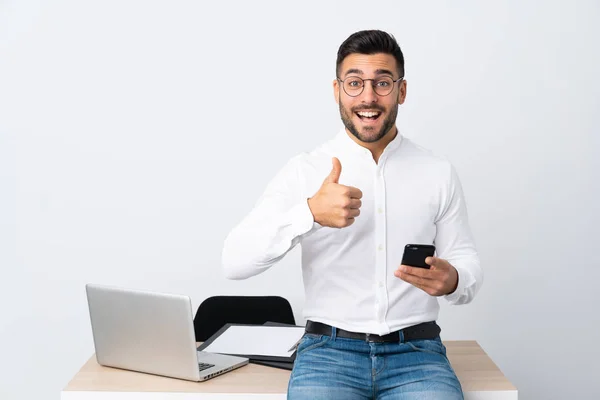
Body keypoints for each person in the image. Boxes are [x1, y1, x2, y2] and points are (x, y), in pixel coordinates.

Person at [221, 29, 483, 400]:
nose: (368, 97)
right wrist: (309, 212)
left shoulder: (436, 171)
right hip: (328, 354)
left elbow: (465, 258)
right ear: (337, 90)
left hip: (417, 356)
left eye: (382, 83)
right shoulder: (306, 170)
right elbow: (233, 262)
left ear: (401, 91)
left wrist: (454, 279)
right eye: (355, 83)